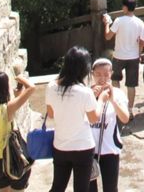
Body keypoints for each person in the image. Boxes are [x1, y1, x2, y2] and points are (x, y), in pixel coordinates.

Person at [45, 46, 111, 192]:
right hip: (83, 147)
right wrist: (101, 99)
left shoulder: (51, 86)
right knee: (81, 188)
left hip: (61, 145)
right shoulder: (85, 92)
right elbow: (94, 118)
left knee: (57, 186)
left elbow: (50, 114)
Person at [0, 70, 36, 192]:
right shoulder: (6, 109)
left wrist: (18, 96)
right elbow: (31, 88)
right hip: (13, 159)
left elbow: (5, 121)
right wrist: (21, 78)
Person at [89, 57, 130, 192]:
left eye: (106, 75)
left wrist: (112, 100)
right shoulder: (87, 93)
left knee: (111, 188)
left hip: (109, 149)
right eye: (98, 75)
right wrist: (92, 96)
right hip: (88, 149)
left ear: (111, 74)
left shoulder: (118, 94)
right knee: (89, 188)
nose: (102, 78)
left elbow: (125, 118)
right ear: (92, 74)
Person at [102, 0, 144, 109]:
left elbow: (107, 36)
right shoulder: (140, 23)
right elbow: (141, 42)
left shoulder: (118, 21)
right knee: (131, 85)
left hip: (119, 56)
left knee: (115, 80)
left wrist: (106, 23)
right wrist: (139, 54)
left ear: (125, 7)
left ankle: (119, 106)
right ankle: (129, 110)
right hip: (133, 57)